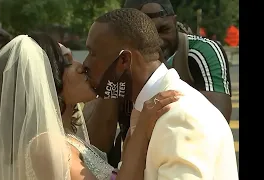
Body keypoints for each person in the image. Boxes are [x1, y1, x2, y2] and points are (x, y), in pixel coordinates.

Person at [0, 33, 180, 180]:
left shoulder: (66, 137)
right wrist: (140, 132)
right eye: (68, 63)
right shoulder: (45, 144)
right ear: (46, 80)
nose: (82, 66)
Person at [81, 8, 238, 179]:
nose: (85, 64)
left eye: (93, 54)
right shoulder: (148, 112)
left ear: (124, 60)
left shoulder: (179, 117)